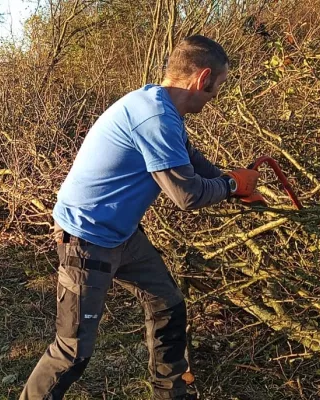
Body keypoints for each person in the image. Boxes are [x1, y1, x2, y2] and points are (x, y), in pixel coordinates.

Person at [20, 35, 261, 400]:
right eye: (218, 87)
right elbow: (187, 194)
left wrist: (232, 183)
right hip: (86, 238)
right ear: (202, 78)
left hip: (121, 232)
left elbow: (191, 160)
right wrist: (229, 186)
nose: (215, 96)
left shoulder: (160, 107)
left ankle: (170, 394)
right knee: (72, 353)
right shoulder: (154, 117)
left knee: (168, 304)